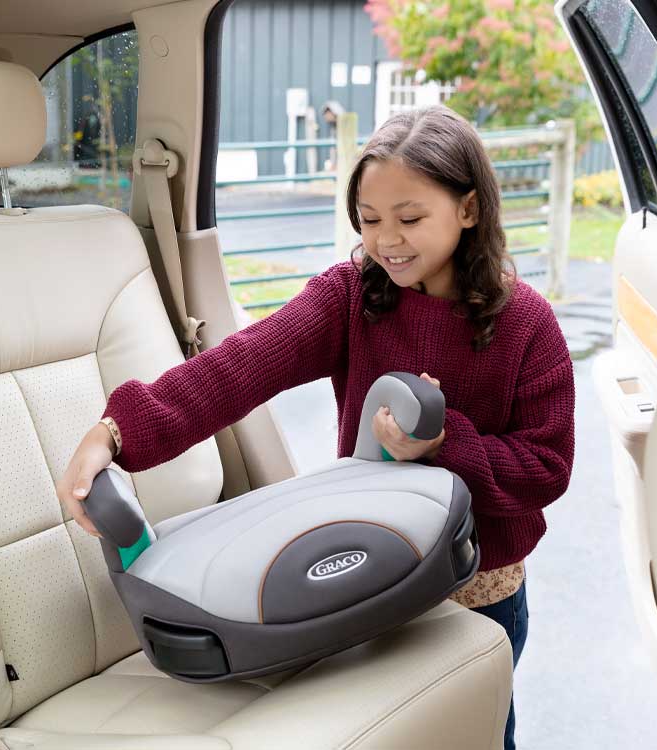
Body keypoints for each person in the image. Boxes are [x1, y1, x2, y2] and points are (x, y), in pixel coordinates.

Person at [57, 104, 575, 750]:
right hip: (374, 580)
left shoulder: (527, 324)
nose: (387, 240)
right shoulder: (352, 296)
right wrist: (117, 432)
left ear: (468, 209)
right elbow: (236, 371)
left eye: (410, 218)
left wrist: (449, 444)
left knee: (476, 734)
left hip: (477, 590)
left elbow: (546, 469)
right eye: (370, 220)